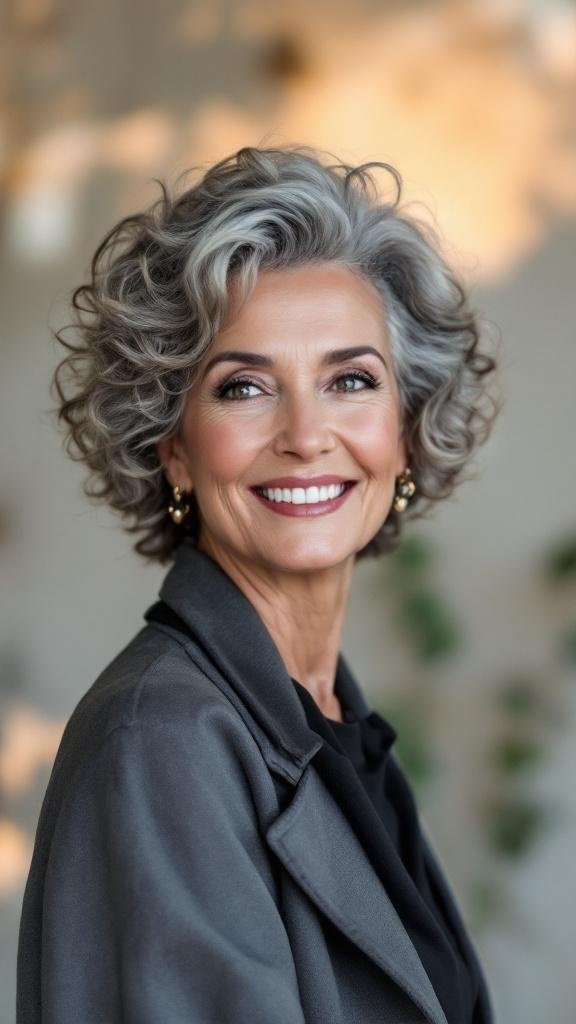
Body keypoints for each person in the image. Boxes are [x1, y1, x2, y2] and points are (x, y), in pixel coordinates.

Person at [17, 144, 500, 1024]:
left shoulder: (326, 721)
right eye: (244, 388)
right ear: (174, 450)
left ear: (405, 429)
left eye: (351, 380)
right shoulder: (161, 739)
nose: (307, 434)